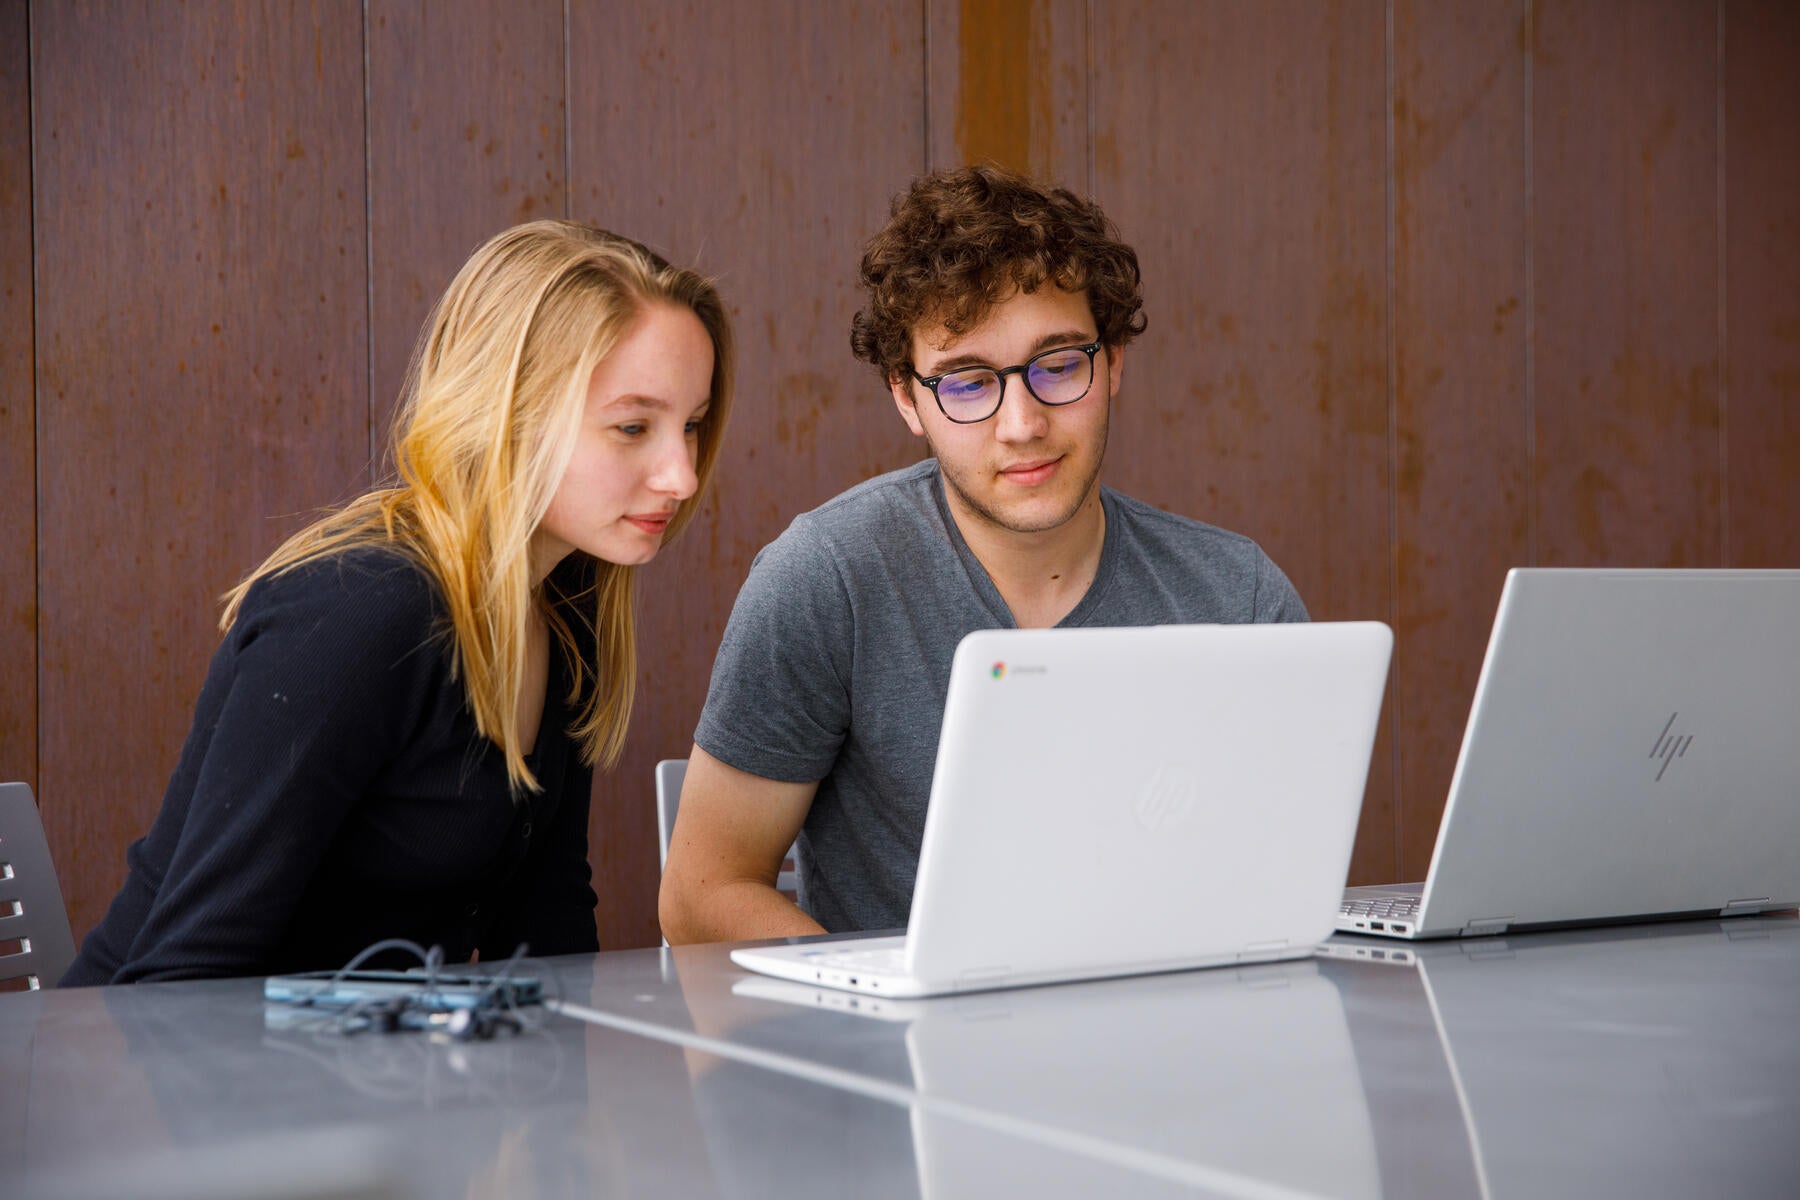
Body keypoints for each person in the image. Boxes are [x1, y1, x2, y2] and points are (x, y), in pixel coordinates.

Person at [64, 221, 733, 984]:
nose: (681, 476)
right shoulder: (363, 615)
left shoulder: (565, 607)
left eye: (692, 426)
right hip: (161, 1078)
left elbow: (546, 934)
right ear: (504, 412)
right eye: (633, 427)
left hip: (382, 1083)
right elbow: (178, 983)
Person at [659, 165, 1304, 945]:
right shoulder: (827, 578)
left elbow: (1281, 886)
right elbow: (700, 897)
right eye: (967, 383)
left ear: (1114, 364)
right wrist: (891, 1011)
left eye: (1059, 365)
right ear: (907, 398)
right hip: (902, 1056)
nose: (1022, 423)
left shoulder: (1239, 599)